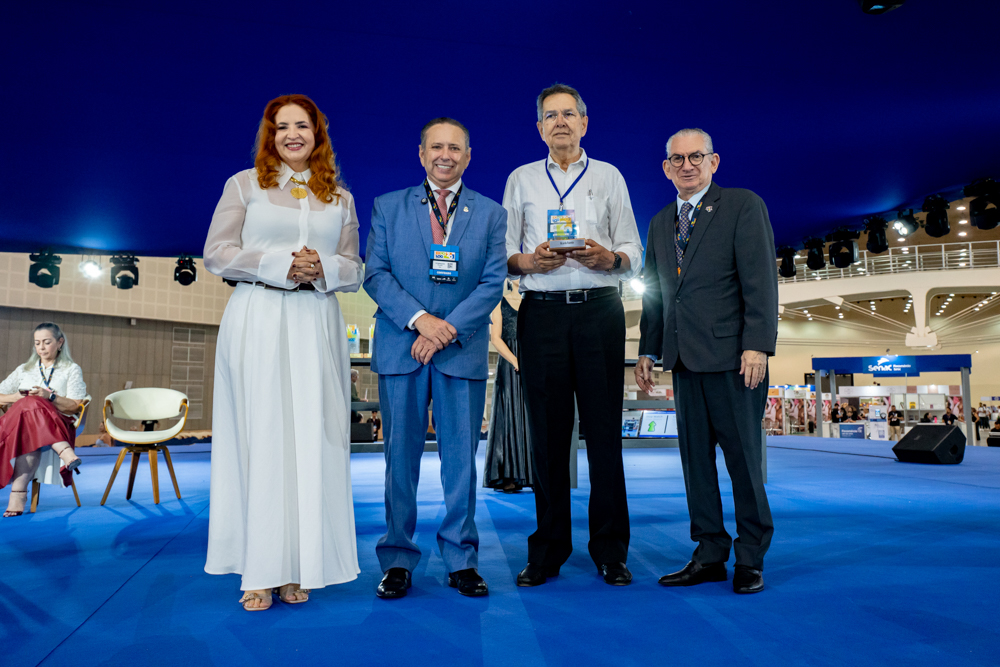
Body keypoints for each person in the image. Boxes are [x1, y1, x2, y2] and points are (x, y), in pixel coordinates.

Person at [203, 94, 363, 611]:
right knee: (261, 437)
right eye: (282, 127)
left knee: (312, 438)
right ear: (269, 135)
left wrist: (325, 269)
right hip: (258, 316)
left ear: (319, 134)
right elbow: (216, 253)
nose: (293, 135)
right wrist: (278, 263)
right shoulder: (243, 185)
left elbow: (354, 265)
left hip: (315, 320)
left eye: (303, 126)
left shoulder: (339, 197)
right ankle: (258, 569)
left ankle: (299, 566)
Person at [505, 84, 643, 587]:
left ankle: (610, 549)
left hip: (599, 310)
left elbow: (633, 246)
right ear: (539, 127)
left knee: (606, 434)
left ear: (585, 122)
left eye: (569, 114)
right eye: (550, 116)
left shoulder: (609, 176)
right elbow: (505, 253)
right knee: (545, 436)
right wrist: (528, 261)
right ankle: (548, 549)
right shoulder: (520, 179)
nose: (560, 122)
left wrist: (613, 260)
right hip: (539, 312)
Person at [364, 117, 507, 599]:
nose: (445, 155)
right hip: (402, 346)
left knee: (460, 463)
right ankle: (398, 559)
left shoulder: (490, 213)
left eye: (455, 148)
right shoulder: (388, 206)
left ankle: (461, 557)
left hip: (460, 349)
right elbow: (376, 275)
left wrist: (446, 330)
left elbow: (492, 283)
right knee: (398, 461)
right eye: (436, 147)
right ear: (421, 154)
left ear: (468, 156)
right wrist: (421, 320)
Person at [636, 127, 777, 595]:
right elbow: (656, 296)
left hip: (736, 361)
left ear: (714, 161)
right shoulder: (660, 223)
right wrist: (647, 350)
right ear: (665, 168)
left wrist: (757, 343)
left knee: (743, 464)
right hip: (684, 362)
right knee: (696, 465)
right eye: (677, 159)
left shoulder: (742, 205)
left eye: (697, 156)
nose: (687, 165)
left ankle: (751, 557)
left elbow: (760, 280)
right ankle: (710, 552)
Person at [1, 323, 87, 517]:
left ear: (59, 342)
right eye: (37, 343)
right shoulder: (24, 369)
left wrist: (50, 397)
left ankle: (17, 495)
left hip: (55, 423)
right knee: (30, 403)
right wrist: (15, 397)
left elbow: (75, 405)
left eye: (46, 342)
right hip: (20, 423)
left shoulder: (71, 369)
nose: (41, 347)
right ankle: (65, 451)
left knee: (33, 410)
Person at [483, 279, 534, 493]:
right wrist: (515, 361)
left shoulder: (532, 300)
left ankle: (533, 473)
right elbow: (495, 338)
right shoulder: (498, 301)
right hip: (510, 363)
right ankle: (509, 474)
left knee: (532, 418)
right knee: (510, 416)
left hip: (533, 362)